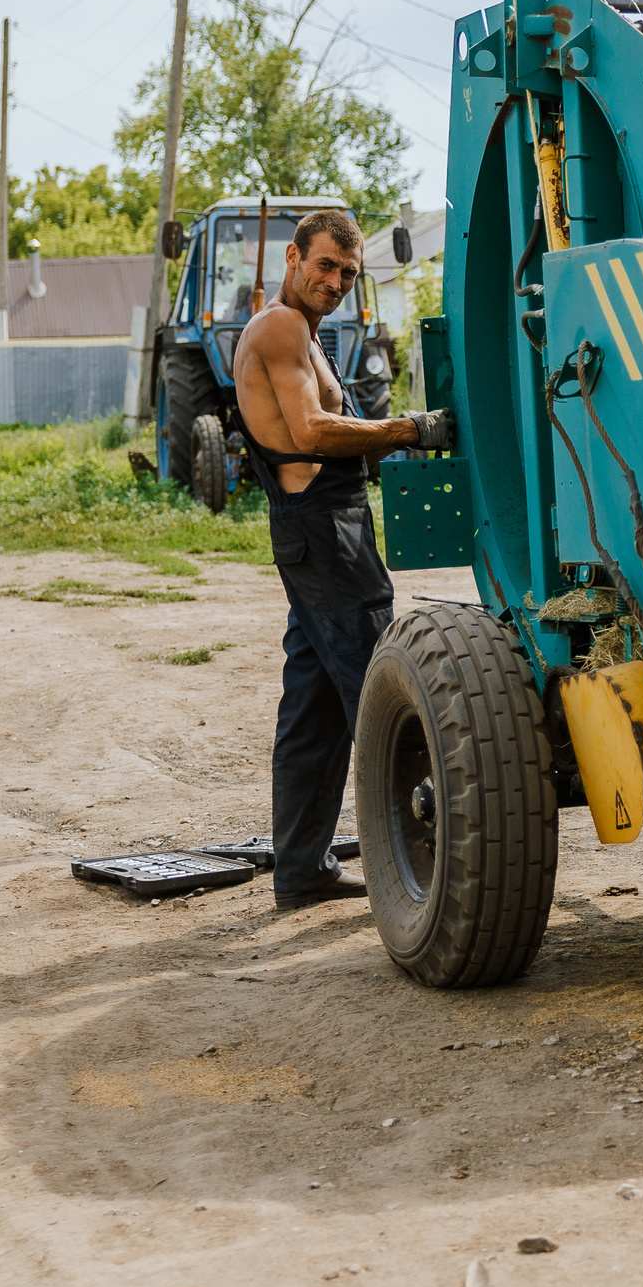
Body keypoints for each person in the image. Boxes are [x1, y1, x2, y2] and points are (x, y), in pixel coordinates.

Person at [231, 208, 453, 909]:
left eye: (348, 274)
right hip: (327, 536)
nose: (334, 282)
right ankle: (431, 867)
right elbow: (309, 428)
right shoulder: (278, 327)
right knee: (381, 691)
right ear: (293, 257)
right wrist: (409, 428)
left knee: (313, 707)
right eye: (325, 265)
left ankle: (300, 870)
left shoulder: (308, 335)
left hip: (322, 528)